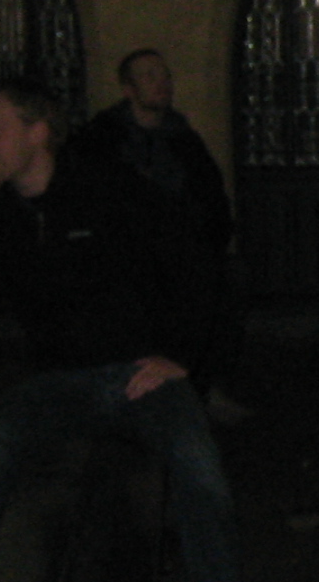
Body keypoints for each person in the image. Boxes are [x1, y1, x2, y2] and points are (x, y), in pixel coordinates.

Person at [0, 83, 265, 582]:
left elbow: (197, 262)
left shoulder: (107, 188)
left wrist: (179, 355)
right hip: (57, 381)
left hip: (136, 374)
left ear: (37, 133)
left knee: (195, 459)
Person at [66, 47, 248, 419]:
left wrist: (203, 242)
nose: (161, 82)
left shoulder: (184, 140)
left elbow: (211, 200)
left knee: (222, 283)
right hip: (126, 256)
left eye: (164, 75)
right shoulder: (101, 140)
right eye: (149, 76)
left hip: (182, 252)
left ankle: (200, 387)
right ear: (128, 89)